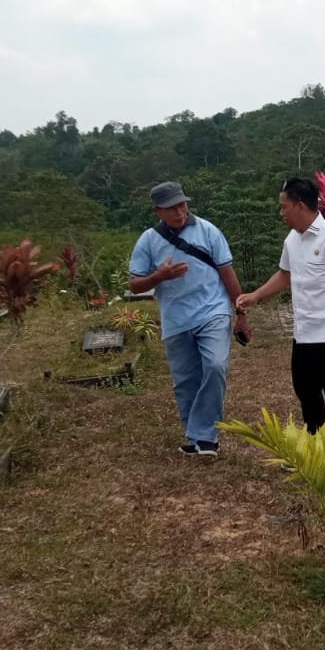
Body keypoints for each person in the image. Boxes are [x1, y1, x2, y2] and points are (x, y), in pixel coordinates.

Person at [236, 177, 325, 433]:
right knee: (306, 394)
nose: (281, 212)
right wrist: (256, 295)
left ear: (300, 205)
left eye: (284, 206)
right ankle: (315, 448)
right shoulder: (292, 240)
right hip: (304, 335)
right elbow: (285, 274)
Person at [129, 181, 251, 456]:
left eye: (182, 204)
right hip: (176, 318)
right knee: (186, 380)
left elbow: (227, 273)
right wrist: (159, 277)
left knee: (215, 366)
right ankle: (199, 438)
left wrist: (240, 313)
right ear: (158, 211)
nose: (180, 211)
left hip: (213, 311)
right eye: (172, 208)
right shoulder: (148, 240)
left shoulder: (208, 231)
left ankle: (205, 435)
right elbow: (135, 284)